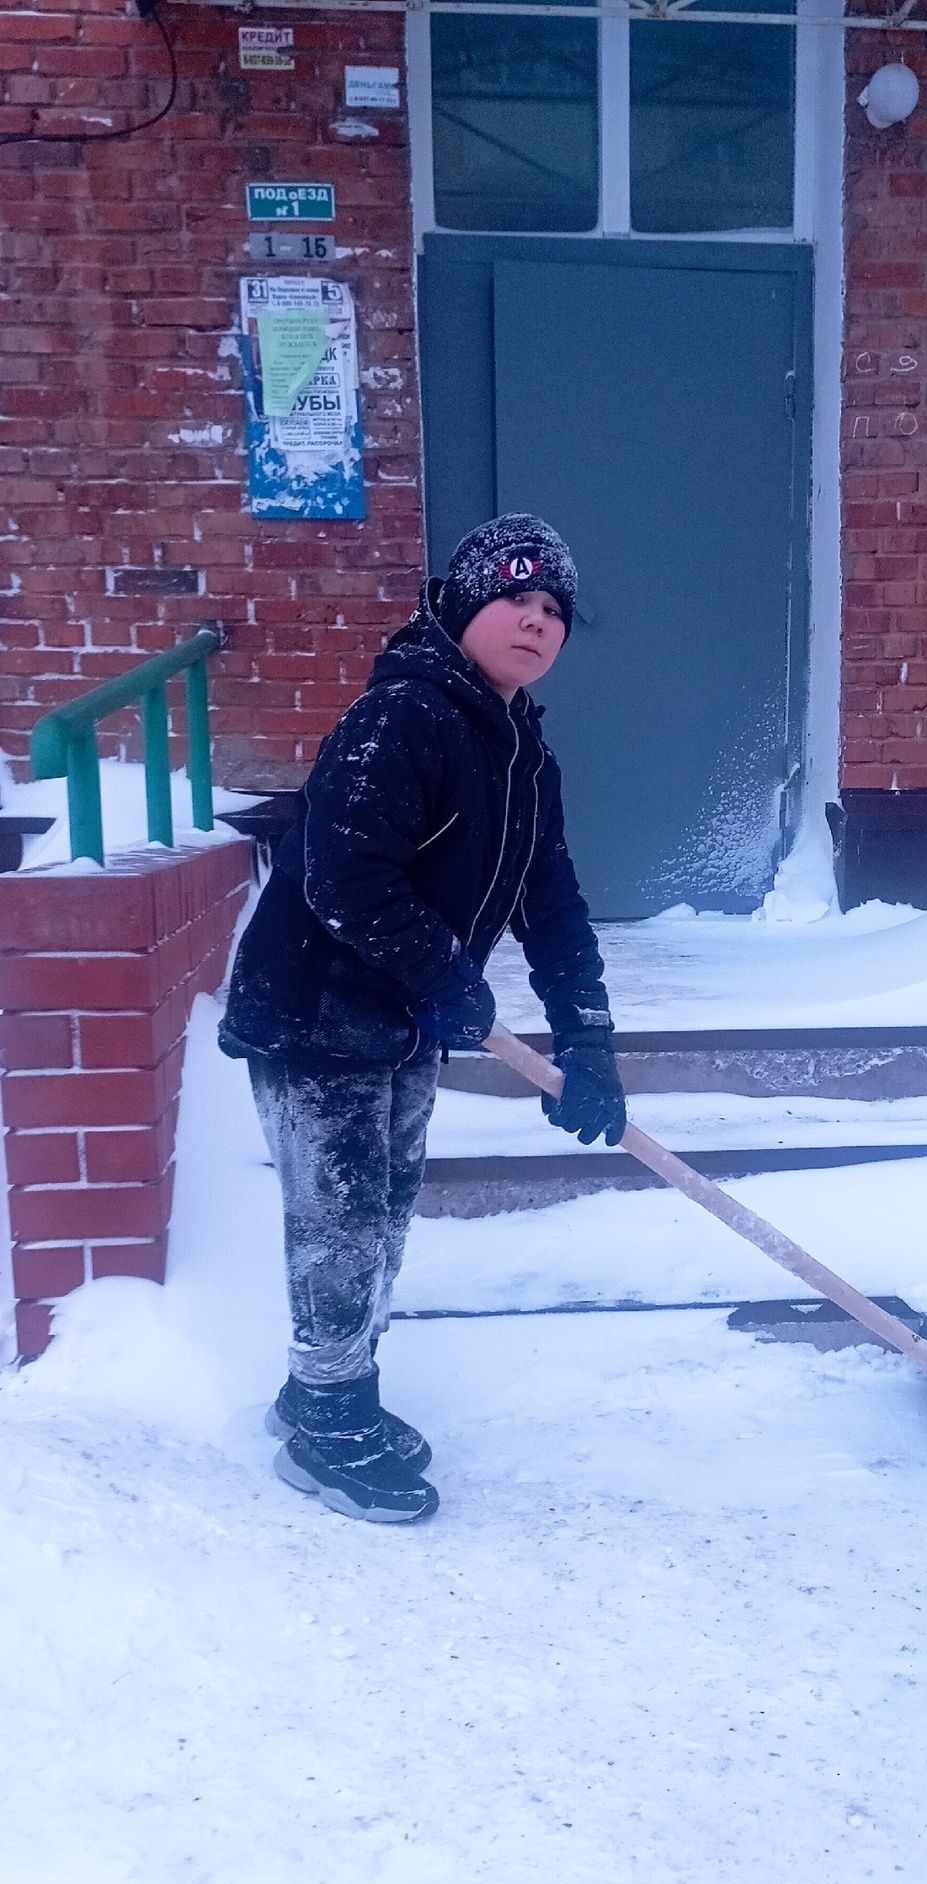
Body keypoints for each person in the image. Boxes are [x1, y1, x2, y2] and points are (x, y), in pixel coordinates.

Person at [219, 516, 626, 1525]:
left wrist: (587, 1037)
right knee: (340, 1223)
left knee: (385, 1211)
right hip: (319, 1017)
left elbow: (552, 898)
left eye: (552, 612)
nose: (534, 622)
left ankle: (329, 1384)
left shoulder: (522, 753)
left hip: (399, 1021)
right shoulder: (400, 717)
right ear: (459, 606)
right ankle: (324, 1419)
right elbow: (342, 874)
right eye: (513, 599)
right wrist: (447, 977)